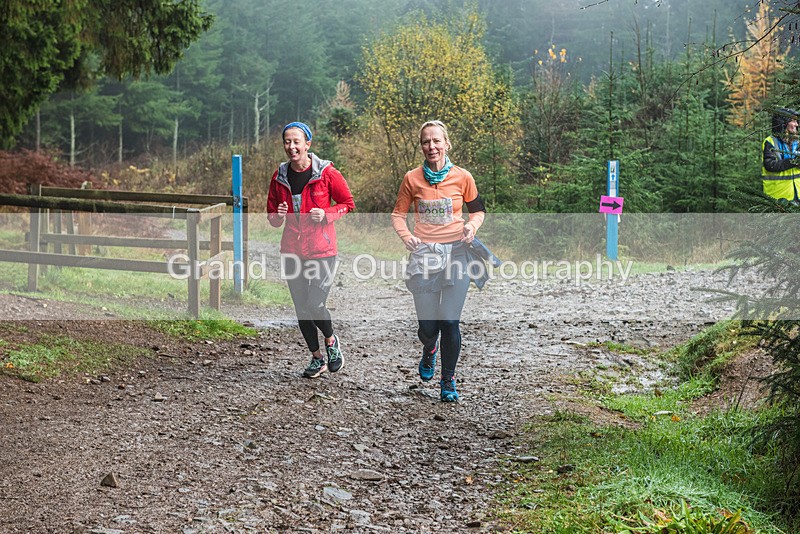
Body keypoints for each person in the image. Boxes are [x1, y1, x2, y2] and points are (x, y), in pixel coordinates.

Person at [391, 120, 487, 402]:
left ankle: (448, 381)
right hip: (424, 255)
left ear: (447, 144)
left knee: (449, 320)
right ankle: (429, 347)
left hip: (457, 252)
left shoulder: (463, 177)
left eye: (436, 141)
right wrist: (406, 235)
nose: (431, 146)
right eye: (425, 142)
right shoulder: (412, 179)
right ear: (421, 146)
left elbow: (478, 211)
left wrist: (471, 227)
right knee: (429, 327)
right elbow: (398, 214)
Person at [267, 122, 355, 378]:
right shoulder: (279, 176)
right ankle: (317, 358)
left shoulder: (327, 173)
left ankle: (331, 341)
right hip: (292, 251)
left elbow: (348, 204)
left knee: (315, 303)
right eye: (287, 142)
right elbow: (272, 218)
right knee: (301, 308)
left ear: (308, 144)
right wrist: (278, 214)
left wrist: (326, 213)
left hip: (322, 250)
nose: (291, 147)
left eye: (297, 142)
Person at [762, 107, 800, 202]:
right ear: (783, 123)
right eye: (793, 121)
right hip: (778, 196)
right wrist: (794, 161)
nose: (796, 124)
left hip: (798, 194)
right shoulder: (770, 141)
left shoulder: (798, 141)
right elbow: (770, 165)